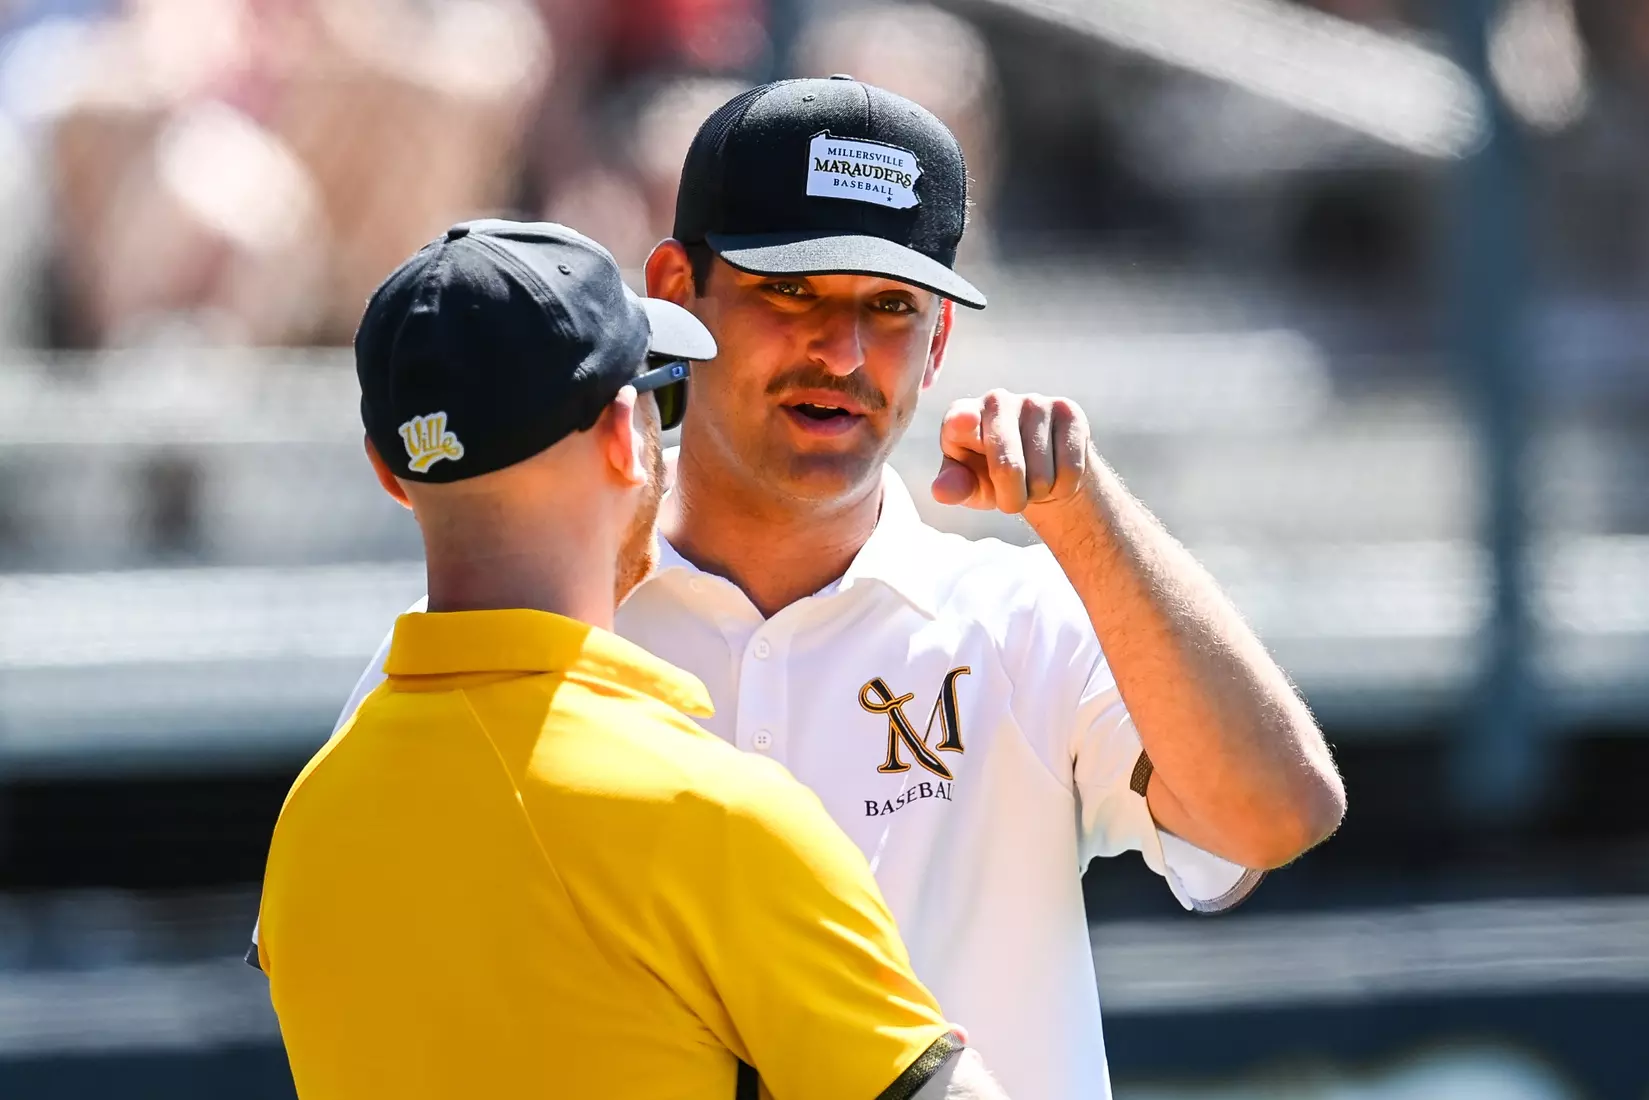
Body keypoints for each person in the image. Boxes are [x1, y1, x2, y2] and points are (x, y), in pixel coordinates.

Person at [338, 77, 1347, 1099]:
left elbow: (1272, 816)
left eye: (891, 308)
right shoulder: (503, 637)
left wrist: (1086, 514)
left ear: (939, 341)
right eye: (791, 291)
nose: (842, 351)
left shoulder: (1019, 613)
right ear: (676, 290)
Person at [254, 220, 1011, 1100]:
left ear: (389, 472)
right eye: (663, 397)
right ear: (624, 434)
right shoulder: (712, 816)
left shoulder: (308, 822)